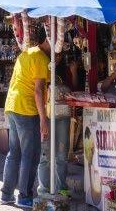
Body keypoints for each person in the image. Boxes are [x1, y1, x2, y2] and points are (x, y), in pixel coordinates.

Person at [1, 22, 51, 209]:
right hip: (26, 109)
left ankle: (6, 194)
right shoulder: (41, 59)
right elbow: (38, 91)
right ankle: (24, 196)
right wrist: (43, 119)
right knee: (30, 155)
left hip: (12, 106)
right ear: (48, 39)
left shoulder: (27, 53)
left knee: (14, 152)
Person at [38, 48, 72, 196]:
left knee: (62, 153)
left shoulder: (63, 70)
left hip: (62, 115)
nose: (57, 57)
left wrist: (74, 70)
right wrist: (41, 118)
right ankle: (44, 188)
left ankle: (61, 187)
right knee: (45, 153)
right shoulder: (41, 66)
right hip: (46, 114)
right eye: (55, 55)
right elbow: (37, 91)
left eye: (59, 55)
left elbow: (73, 87)